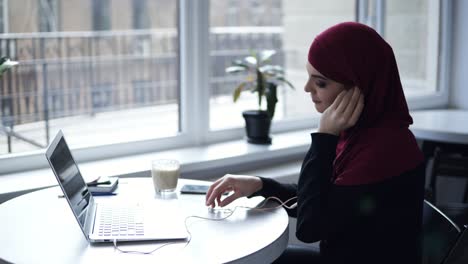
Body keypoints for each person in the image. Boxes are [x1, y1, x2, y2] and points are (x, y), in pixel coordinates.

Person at [205, 22, 425, 264]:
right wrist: (259, 185)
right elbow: (322, 199)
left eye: (320, 83)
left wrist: (324, 137)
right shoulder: (363, 135)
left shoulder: (383, 151)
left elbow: (310, 227)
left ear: (357, 89)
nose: (307, 88)